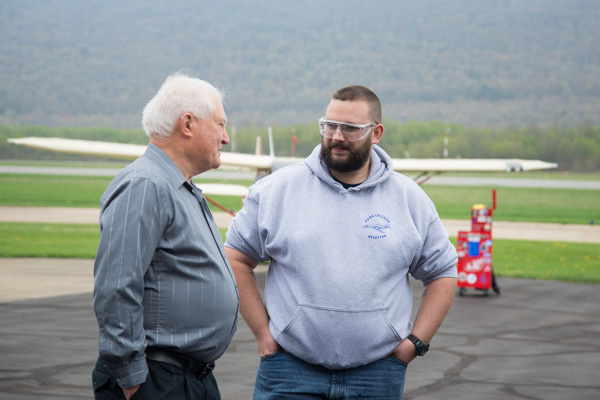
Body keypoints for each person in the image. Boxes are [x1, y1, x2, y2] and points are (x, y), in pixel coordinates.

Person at [225, 85, 458, 399]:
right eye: (329, 125)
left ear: (376, 133)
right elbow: (235, 257)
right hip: (289, 370)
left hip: (378, 374)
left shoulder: (410, 200)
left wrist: (414, 344)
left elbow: (443, 273)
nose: (336, 136)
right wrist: (264, 335)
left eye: (350, 128)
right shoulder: (275, 191)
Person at [92, 72, 239, 400]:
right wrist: (133, 382)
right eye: (219, 125)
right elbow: (116, 287)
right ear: (187, 125)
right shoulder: (145, 185)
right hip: (158, 381)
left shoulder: (177, 187)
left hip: (186, 378)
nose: (226, 138)